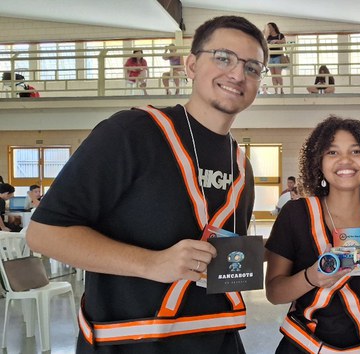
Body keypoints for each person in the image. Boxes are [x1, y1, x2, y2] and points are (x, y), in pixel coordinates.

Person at [25, 15, 267, 353]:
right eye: (223, 57)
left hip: (218, 338)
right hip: (130, 342)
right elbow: (44, 233)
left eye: (253, 68)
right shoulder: (131, 132)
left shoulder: (241, 165)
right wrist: (151, 263)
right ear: (192, 65)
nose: (238, 74)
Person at [265, 116, 360, 353]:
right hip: (303, 345)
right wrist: (311, 278)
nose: (345, 160)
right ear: (318, 162)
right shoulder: (295, 215)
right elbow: (275, 293)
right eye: (332, 152)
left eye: (356, 151)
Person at [266, 22, 287, 94]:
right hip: (271, 57)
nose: (268, 28)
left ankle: (281, 90)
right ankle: (276, 91)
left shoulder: (280, 35)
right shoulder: (268, 36)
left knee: (278, 75)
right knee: (273, 75)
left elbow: (284, 41)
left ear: (273, 27)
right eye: (268, 27)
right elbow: (265, 42)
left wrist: (276, 41)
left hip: (278, 56)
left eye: (269, 27)